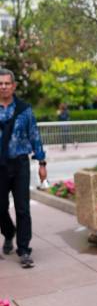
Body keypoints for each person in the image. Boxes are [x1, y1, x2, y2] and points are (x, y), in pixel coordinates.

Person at [0, 68, 47, 268]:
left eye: (7, 83)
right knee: (0, 207)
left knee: (22, 208)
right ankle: (9, 233)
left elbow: (34, 136)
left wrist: (42, 163)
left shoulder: (25, 110)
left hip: (20, 164)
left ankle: (24, 249)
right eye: (0, 84)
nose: (3, 87)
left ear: (14, 86)